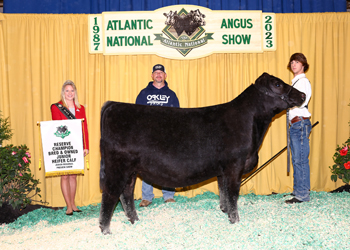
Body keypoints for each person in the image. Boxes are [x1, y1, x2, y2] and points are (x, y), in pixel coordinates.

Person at [136, 64, 180, 207]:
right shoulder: (143, 94)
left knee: (168, 165)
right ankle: (147, 197)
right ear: (152, 75)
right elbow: (137, 115)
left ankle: (168, 195)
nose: (159, 75)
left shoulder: (171, 95)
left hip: (166, 137)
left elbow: (177, 117)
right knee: (146, 166)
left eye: (161, 72)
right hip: (147, 138)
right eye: (156, 72)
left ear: (165, 76)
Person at [51, 80, 89, 215]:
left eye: (72, 90)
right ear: (63, 92)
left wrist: (86, 146)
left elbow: (84, 128)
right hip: (64, 145)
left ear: (75, 92)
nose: (69, 93)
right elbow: (56, 127)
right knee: (65, 176)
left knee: (73, 176)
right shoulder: (57, 107)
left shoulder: (81, 108)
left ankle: (73, 204)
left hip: (77, 144)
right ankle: (68, 205)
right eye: (67, 90)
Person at [285, 53, 312, 204]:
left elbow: (301, 102)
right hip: (296, 124)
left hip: (300, 123)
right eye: (292, 62)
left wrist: (285, 101)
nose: (294, 64)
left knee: (300, 160)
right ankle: (298, 191)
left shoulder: (303, 82)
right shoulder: (296, 82)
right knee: (297, 160)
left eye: (297, 62)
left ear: (303, 65)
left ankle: (302, 195)